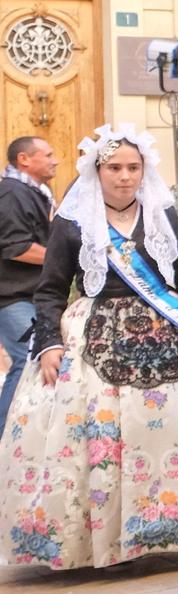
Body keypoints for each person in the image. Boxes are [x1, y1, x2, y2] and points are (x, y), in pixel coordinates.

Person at [3, 126, 178, 569]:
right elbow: (51, 290)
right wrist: (48, 343)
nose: (125, 176)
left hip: (163, 336)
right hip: (93, 337)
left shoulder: (160, 216)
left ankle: (164, 529)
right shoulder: (72, 223)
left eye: (133, 167)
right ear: (98, 170)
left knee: (162, 432)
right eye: (115, 168)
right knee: (100, 436)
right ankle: (100, 538)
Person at [0, 134, 56, 424]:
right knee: (26, 361)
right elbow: (16, 247)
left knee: (33, 361)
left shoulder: (33, 191)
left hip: (29, 295)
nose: (55, 160)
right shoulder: (12, 192)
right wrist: (60, 259)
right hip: (12, 297)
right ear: (24, 159)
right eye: (47, 155)